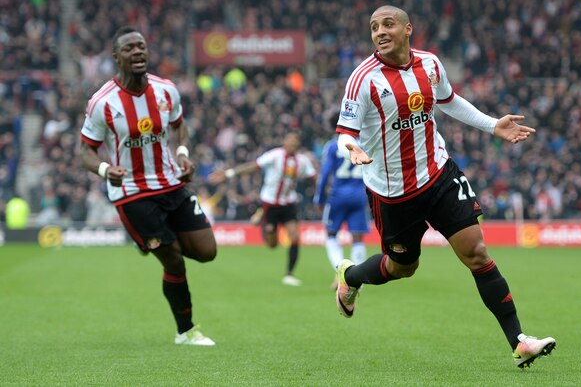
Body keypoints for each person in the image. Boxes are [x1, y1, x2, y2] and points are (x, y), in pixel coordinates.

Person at [333, 6, 556, 368]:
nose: (380, 32)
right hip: (392, 192)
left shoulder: (431, 65)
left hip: (438, 174)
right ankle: (351, 275)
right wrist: (351, 148)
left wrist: (491, 125)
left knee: (477, 253)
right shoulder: (364, 79)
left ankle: (519, 341)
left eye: (388, 24)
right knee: (402, 267)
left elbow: (449, 102)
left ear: (408, 29)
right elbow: (344, 132)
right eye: (374, 28)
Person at [79, 26, 218, 346]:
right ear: (116, 58)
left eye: (141, 46)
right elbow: (85, 150)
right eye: (129, 49)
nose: (137, 52)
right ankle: (186, 331)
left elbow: (180, 128)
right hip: (132, 192)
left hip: (171, 182)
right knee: (174, 260)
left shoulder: (167, 90)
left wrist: (182, 154)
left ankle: (150, 239)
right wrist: (103, 168)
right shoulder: (103, 102)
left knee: (207, 252)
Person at [210, 132, 317, 287]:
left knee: (295, 236)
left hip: (288, 203)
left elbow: (313, 176)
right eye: (289, 141)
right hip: (270, 203)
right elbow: (253, 166)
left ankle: (289, 274)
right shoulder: (275, 155)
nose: (292, 144)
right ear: (284, 142)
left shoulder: (303, 161)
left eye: (295, 142)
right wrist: (229, 173)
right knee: (272, 245)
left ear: (298, 145)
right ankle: (263, 219)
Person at [313, 114, 369, 289]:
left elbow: (324, 175)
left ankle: (341, 273)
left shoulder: (332, 146)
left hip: (337, 196)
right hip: (360, 195)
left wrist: (319, 199)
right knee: (357, 237)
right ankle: (356, 279)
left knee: (331, 234)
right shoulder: (365, 143)